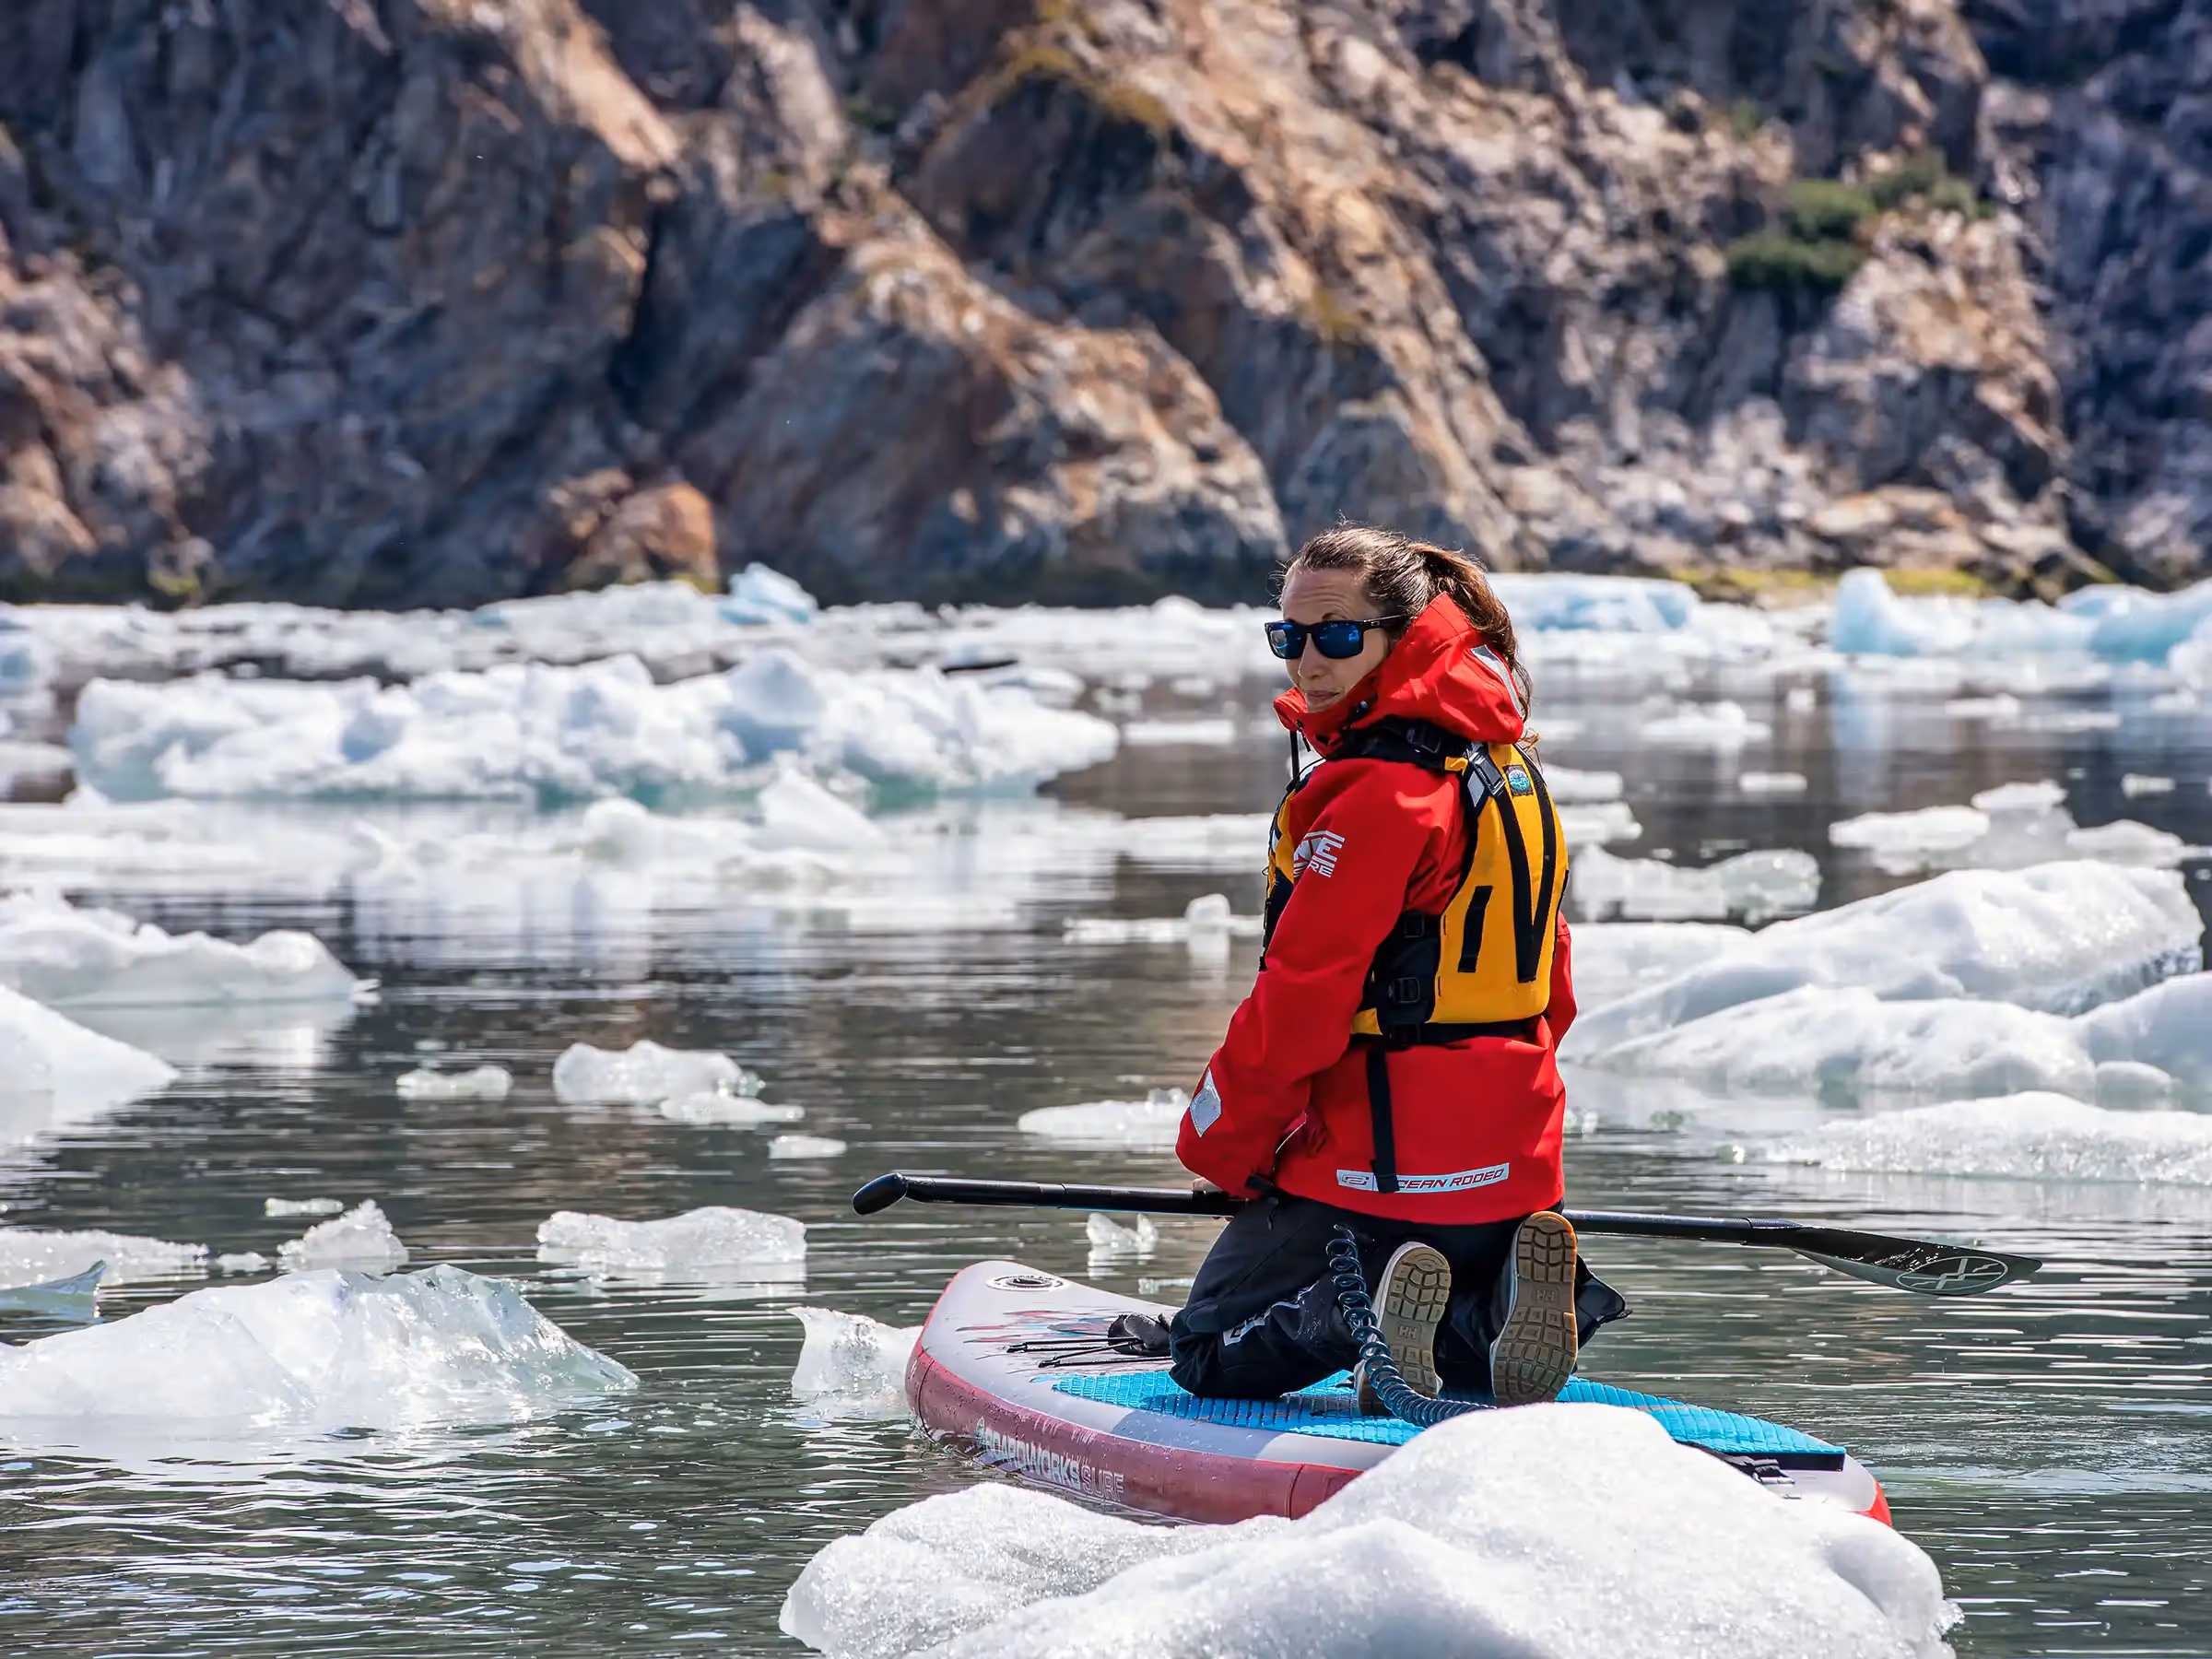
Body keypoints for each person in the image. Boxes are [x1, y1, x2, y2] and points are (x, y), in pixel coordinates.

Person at [1158, 524, 1624, 1411]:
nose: (1308, 663)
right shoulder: (1510, 772)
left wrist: (1226, 1150)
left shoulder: (1379, 791)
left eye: (1337, 635)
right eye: (1288, 636)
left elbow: (1301, 1000)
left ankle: (1364, 1309)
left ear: (1402, 637)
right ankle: (1485, 1312)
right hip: (1515, 1167)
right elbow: (1551, 984)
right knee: (1459, 1337)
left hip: (1377, 1173)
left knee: (1206, 1353)